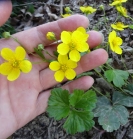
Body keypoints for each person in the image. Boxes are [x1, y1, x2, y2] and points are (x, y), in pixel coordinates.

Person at [0, 1, 108, 138]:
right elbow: (53, 62)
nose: (15, 62)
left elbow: (66, 59)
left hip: (64, 61)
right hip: (57, 62)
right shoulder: (23, 60)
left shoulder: (70, 51)